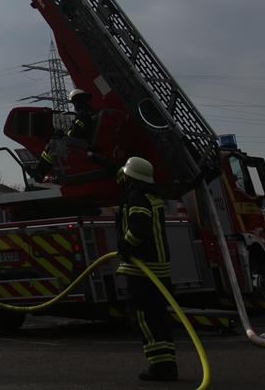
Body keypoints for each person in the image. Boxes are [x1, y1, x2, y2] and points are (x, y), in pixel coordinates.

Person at [117, 157, 178, 382]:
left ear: (130, 177)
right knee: (159, 318)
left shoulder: (137, 198)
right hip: (158, 269)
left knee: (146, 319)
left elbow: (138, 228)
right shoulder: (153, 198)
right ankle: (167, 363)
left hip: (143, 271)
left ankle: (160, 367)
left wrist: (125, 246)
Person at [35, 89, 95, 183]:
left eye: (74, 102)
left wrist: (62, 136)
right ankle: (53, 174)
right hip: (87, 143)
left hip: (84, 145)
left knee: (52, 146)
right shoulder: (91, 112)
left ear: (77, 101)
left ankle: (39, 174)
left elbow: (76, 133)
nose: (74, 105)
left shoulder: (83, 114)